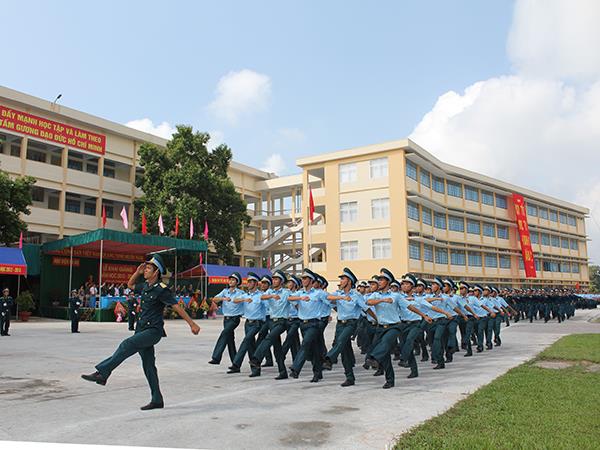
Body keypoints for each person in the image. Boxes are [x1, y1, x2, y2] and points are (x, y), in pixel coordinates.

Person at [81, 254, 200, 410]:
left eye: (149, 268)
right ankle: (157, 399)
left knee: (127, 344)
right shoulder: (145, 286)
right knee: (149, 366)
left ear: (156, 272)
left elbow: (176, 306)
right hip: (141, 329)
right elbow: (130, 285)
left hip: (153, 331)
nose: (145, 270)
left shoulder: (161, 289)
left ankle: (103, 372)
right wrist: (137, 272)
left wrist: (192, 324)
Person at [322, 268, 374, 386]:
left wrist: (376, 319)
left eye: (343, 278)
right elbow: (328, 298)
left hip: (351, 323)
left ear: (349, 281)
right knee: (344, 351)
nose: (341, 280)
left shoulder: (356, 295)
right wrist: (340, 298)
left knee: (339, 342)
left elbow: (366, 308)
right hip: (340, 324)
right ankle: (350, 377)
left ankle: (329, 359)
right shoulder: (338, 294)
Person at [249, 270, 291, 379]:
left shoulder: (286, 292)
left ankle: (256, 358)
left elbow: (292, 299)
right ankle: (283, 372)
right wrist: (271, 296)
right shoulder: (269, 292)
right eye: (273, 279)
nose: (274, 281)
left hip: (282, 322)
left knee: (268, 338)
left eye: (276, 279)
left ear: (281, 281)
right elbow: (261, 297)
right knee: (277, 348)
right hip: (272, 321)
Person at [288, 268, 327, 382]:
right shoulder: (300, 293)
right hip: (303, 324)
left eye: (305, 278)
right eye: (302, 278)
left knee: (305, 344)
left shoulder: (318, 293)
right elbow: (289, 298)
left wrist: (340, 298)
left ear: (311, 280)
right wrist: (300, 299)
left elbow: (329, 299)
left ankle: (296, 369)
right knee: (314, 349)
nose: (303, 280)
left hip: (314, 324)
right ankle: (317, 373)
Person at [227, 272, 267, 375]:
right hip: (248, 323)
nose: (248, 284)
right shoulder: (245, 295)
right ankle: (255, 370)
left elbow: (268, 308)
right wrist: (244, 299)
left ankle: (236, 364)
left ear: (255, 283)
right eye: (247, 282)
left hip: (257, 323)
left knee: (246, 340)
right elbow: (235, 300)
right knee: (250, 346)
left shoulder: (261, 295)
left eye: (250, 282)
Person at [208, 272, 245, 365]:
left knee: (224, 333)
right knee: (229, 340)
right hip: (226, 319)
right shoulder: (225, 291)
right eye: (230, 279)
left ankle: (216, 357)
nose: (231, 281)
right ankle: (235, 364)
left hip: (234, 319)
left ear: (237, 282)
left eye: (233, 280)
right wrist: (223, 299)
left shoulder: (241, 293)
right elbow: (214, 299)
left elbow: (244, 301)